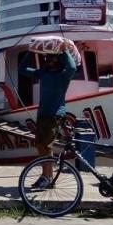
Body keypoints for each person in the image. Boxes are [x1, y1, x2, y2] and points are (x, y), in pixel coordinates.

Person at [19, 44, 77, 189]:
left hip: (55, 114)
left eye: (53, 58)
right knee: (39, 144)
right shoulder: (43, 73)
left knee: (47, 145)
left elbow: (72, 68)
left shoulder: (63, 75)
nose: (50, 60)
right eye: (48, 57)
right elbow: (22, 70)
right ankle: (47, 176)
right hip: (43, 113)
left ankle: (47, 177)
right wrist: (30, 52)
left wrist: (64, 52)